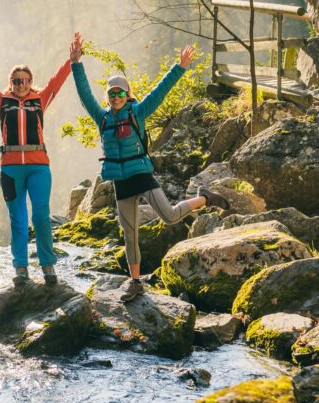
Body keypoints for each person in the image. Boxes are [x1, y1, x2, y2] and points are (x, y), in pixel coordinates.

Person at [69, 33, 229, 302]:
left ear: (127, 93)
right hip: (121, 182)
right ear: (107, 97)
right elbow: (85, 95)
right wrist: (76, 64)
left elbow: (160, 92)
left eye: (120, 92)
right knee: (129, 235)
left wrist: (179, 67)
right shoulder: (103, 118)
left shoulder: (138, 112)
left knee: (168, 215)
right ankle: (135, 282)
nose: (116, 96)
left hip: (142, 175)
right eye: (111, 93)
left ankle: (205, 197)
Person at [0, 30, 73, 287]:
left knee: (41, 216)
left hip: (39, 167)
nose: (21, 85)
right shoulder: (2, 101)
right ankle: (21, 267)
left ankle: (47, 264)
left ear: (31, 81)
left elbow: (57, 81)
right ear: (11, 83)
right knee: (18, 220)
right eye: (17, 81)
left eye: (25, 80)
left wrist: (72, 60)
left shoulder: (40, 100)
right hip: (10, 170)